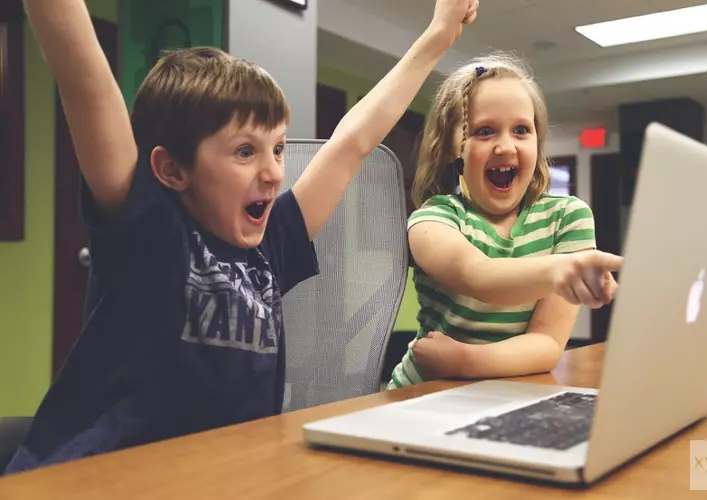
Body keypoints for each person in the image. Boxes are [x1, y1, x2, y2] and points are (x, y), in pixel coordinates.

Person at [6, 0, 479, 473]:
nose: (275, 172)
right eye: (245, 152)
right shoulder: (147, 227)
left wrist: (437, 35)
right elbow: (85, 83)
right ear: (171, 169)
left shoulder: (272, 243)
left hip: (221, 474)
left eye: (276, 148)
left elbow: (351, 144)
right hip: (97, 478)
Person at [387, 52, 622, 390]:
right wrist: (562, 270)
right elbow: (479, 276)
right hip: (422, 394)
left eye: (522, 130)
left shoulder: (568, 218)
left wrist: (465, 361)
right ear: (453, 146)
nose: (505, 146)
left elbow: (547, 344)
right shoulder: (433, 219)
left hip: (505, 395)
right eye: (485, 131)